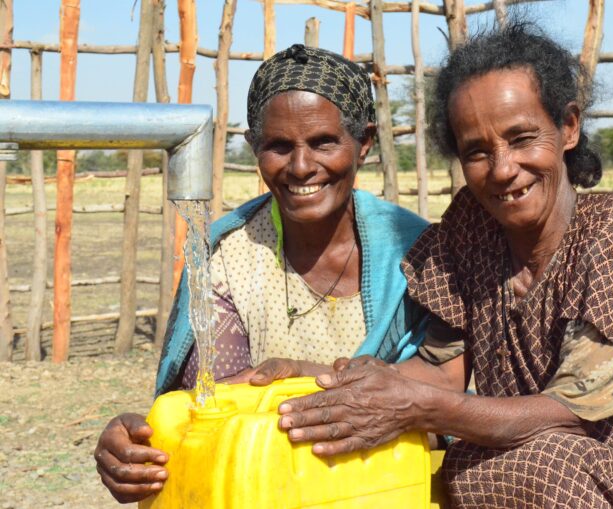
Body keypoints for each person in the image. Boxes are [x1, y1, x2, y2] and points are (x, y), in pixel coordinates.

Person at [273, 23, 613, 508]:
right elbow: (441, 372)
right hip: (517, 467)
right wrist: (320, 380)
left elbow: (570, 414)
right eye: (476, 151)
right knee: (460, 470)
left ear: (568, 127)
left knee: (542, 464)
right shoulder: (470, 229)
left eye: (521, 138)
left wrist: (419, 408)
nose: (501, 168)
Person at [94, 44, 433, 504]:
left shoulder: (418, 256)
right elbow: (214, 421)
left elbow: (453, 402)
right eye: (278, 146)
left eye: (323, 142)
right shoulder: (229, 258)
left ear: (365, 143)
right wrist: (139, 447)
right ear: (254, 147)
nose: (300, 166)